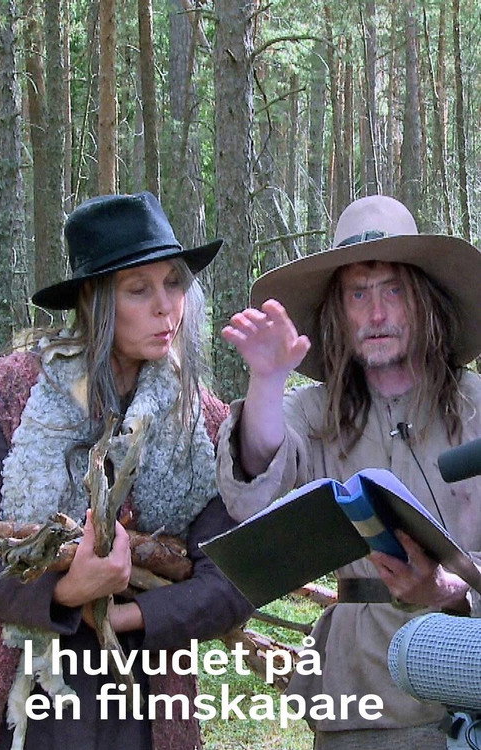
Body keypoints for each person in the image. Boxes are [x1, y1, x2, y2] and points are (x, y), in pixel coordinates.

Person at [0, 191, 253, 750]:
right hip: (30, 702)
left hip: (146, 703)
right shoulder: (8, 395)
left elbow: (231, 578)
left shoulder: (200, 419)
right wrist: (66, 592)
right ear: (94, 298)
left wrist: (133, 616)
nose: (166, 307)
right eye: (138, 289)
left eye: (173, 283)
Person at [216, 194, 481, 749]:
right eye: (358, 294)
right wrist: (267, 380)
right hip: (359, 691)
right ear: (338, 310)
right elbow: (254, 486)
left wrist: (450, 586)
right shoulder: (316, 412)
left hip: (467, 672)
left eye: (393, 290)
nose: (376, 314)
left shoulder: (476, 405)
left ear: (424, 300)